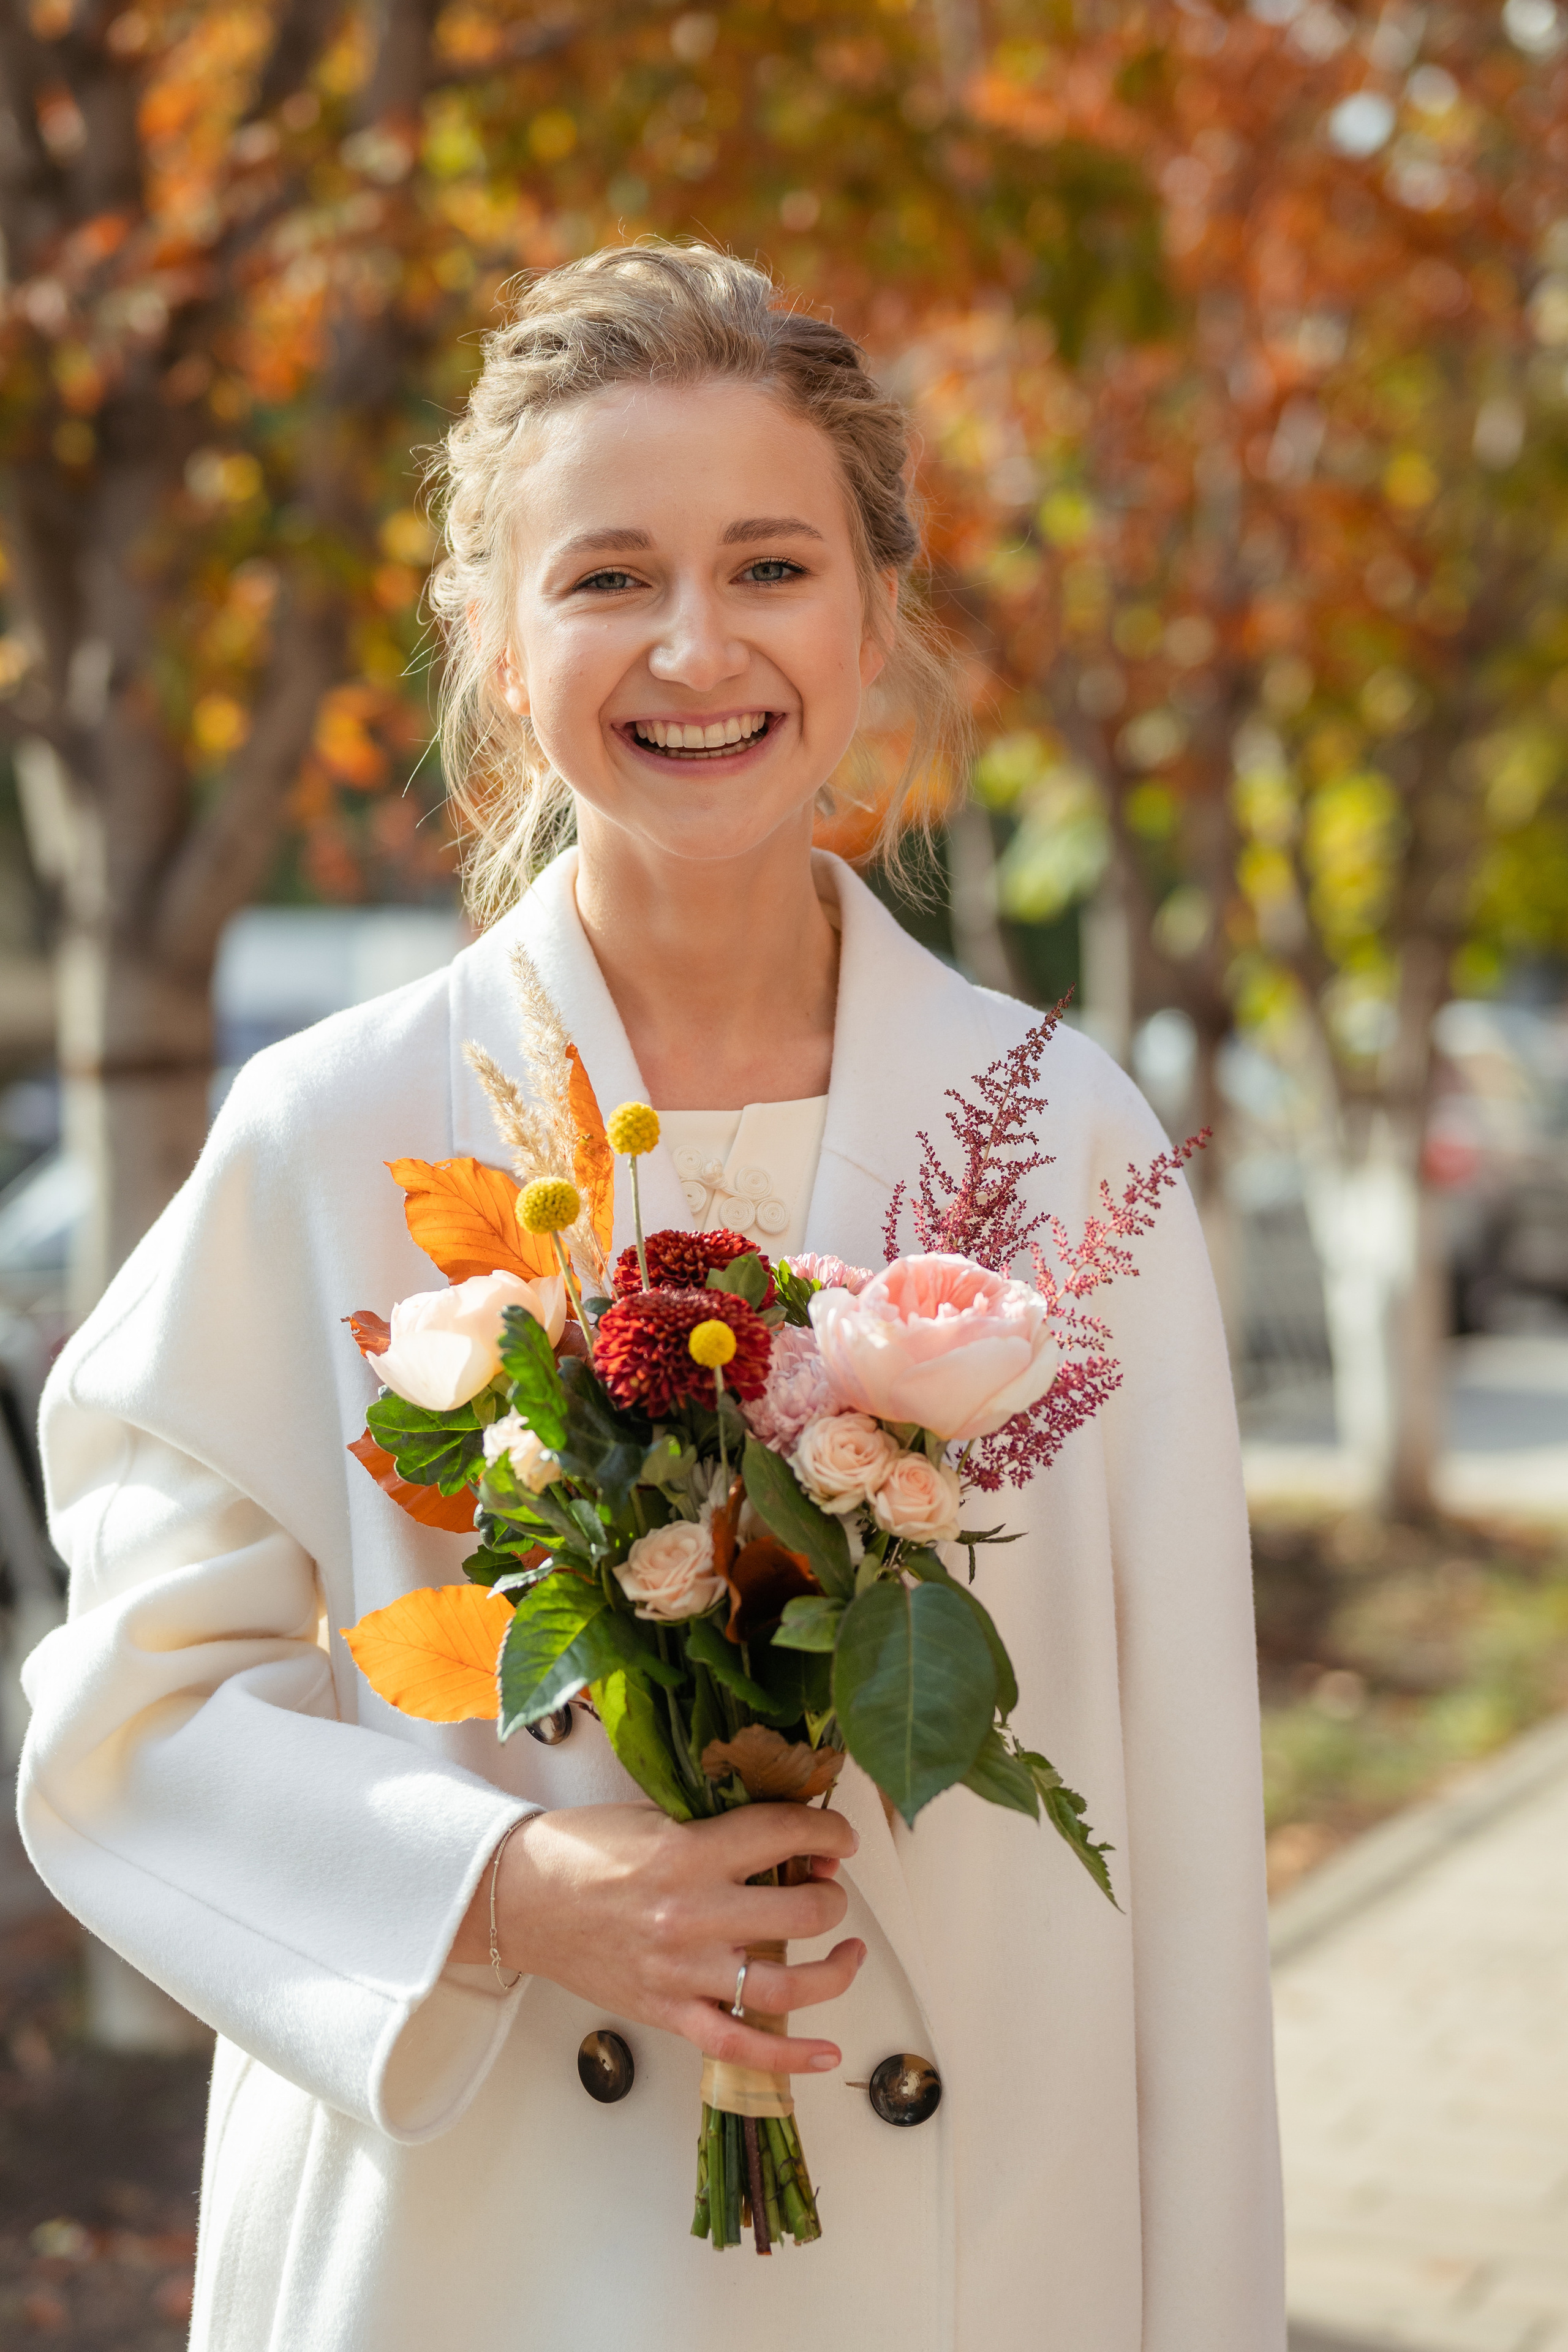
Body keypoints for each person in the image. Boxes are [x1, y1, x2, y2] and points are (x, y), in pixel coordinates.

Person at [18, 244, 1284, 2351]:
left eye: (771, 565)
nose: (697, 646)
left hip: (985, 2263)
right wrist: (511, 1893)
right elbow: (123, 1723)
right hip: (483, 2256)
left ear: (877, 618)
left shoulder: (1054, 1142)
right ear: (500, 648)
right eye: (607, 576)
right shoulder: (332, 1135)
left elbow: (1184, 1831)